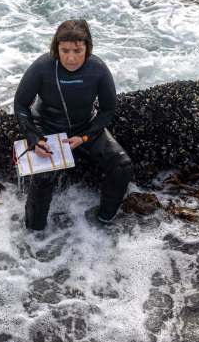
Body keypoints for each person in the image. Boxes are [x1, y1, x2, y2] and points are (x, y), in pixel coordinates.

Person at [14, 19, 132, 230]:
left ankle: (104, 221)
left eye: (78, 50)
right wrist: (34, 138)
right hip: (47, 127)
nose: (71, 57)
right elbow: (21, 104)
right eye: (64, 50)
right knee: (44, 175)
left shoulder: (98, 69)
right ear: (56, 48)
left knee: (122, 166)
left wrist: (85, 136)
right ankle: (33, 232)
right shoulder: (42, 67)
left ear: (87, 48)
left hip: (84, 128)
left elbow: (107, 110)